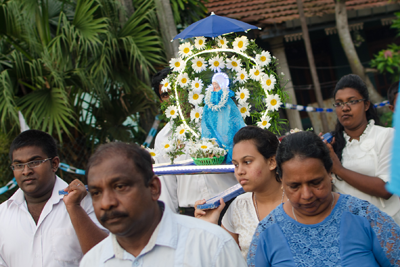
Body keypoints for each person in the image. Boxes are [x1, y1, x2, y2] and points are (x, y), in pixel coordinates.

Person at [80, 142, 247, 267]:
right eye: (96, 193)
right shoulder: (93, 262)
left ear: (153, 188)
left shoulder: (210, 245)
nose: (106, 203)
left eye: (120, 187)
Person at [247, 131, 400, 267]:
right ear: (281, 180)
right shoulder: (267, 233)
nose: (306, 195)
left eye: (315, 183)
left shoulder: (366, 217)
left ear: (329, 173)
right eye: (294, 186)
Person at [0, 130, 107, 267]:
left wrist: (74, 208)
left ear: (55, 164)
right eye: (19, 165)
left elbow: (106, 257)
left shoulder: (85, 203)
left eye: (35, 162)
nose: (26, 171)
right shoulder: (2, 215)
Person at [152, 68, 238, 217]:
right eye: (165, 94)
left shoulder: (214, 118)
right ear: (161, 100)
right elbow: (167, 187)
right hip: (193, 213)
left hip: (233, 202)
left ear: (186, 89)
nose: (173, 98)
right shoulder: (163, 138)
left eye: (176, 90)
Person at [194, 126, 285, 259]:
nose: (240, 171)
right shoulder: (239, 206)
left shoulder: (299, 199)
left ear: (272, 162)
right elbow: (227, 259)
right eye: (236, 164)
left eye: (247, 162)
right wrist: (210, 227)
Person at [327, 74, 400, 224]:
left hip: (388, 226)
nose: (345, 108)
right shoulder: (333, 145)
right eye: (339, 103)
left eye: (352, 101)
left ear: (366, 105)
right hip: (351, 229)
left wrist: (339, 169)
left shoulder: (386, 136)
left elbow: (387, 189)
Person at [201, 72, 246, 163]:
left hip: (226, 125)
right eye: (213, 85)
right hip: (214, 122)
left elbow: (233, 117)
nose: (214, 86)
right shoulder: (210, 99)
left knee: (227, 131)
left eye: (216, 85)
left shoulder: (227, 99)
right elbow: (207, 119)